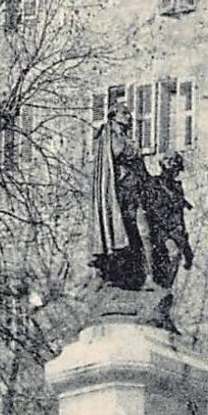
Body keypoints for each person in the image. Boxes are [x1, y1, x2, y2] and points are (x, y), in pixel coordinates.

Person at [86, 100, 153, 291]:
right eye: (124, 113)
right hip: (118, 194)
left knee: (144, 232)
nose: (129, 116)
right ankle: (104, 275)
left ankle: (149, 277)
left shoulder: (128, 140)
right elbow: (115, 155)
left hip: (135, 193)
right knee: (115, 233)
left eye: (129, 113)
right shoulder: (107, 138)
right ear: (113, 116)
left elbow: (141, 168)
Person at [145, 151, 196, 289]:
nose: (173, 168)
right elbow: (152, 211)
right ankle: (163, 287)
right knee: (173, 253)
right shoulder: (153, 184)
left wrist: (184, 241)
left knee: (177, 256)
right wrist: (169, 231)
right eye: (169, 163)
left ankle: (167, 288)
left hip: (174, 230)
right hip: (159, 230)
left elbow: (179, 215)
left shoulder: (177, 188)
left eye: (175, 166)